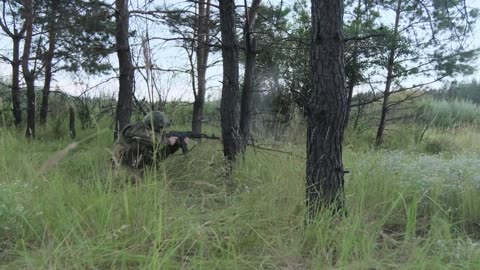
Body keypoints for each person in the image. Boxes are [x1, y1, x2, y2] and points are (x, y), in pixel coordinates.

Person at [112, 111, 188, 182]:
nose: (162, 131)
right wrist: (168, 140)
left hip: (136, 173)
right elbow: (147, 136)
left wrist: (175, 146)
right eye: (160, 128)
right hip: (120, 170)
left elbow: (156, 159)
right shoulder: (136, 128)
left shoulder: (149, 140)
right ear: (154, 125)